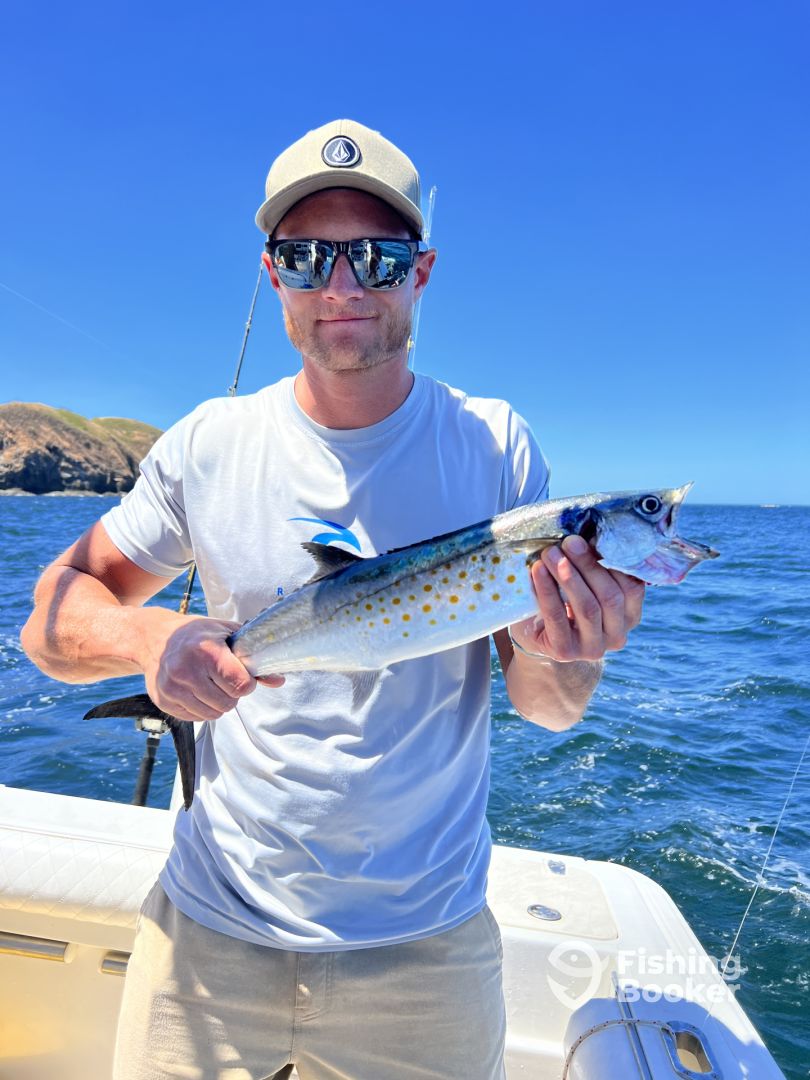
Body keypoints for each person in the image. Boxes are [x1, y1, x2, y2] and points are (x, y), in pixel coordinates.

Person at [21, 119, 645, 1080]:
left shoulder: (494, 446)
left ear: (421, 272)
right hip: (208, 929)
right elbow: (51, 619)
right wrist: (151, 639)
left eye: (377, 257)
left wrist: (576, 647)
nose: (342, 287)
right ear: (273, 275)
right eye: (306, 257)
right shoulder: (207, 444)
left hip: (427, 951)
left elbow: (548, 707)